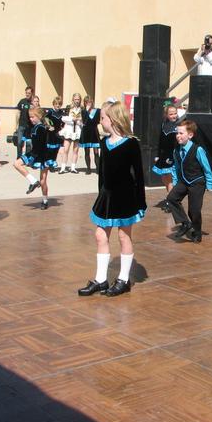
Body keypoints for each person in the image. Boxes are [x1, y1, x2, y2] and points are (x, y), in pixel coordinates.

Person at [78, 101, 146, 298]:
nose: (100, 122)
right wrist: (100, 193)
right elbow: (102, 174)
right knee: (100, 236)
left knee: (124, 237)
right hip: (106, 198)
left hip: (125, 198)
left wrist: (140, 203)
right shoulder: (104, 143)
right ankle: (101, 279)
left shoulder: (131, 144)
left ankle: (123, 279)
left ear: (113, 119)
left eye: (103, 118)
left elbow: (139, 176)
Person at [166, 120, 212, 243]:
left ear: (190, 135)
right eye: (177, 133)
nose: (178, 136)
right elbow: (176, 167)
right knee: (171, 198)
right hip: (183, 181)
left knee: (194, 210)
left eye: (181, 133)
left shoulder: (197, 150)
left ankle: (197, 232)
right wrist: (176, 181)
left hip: (197, 182)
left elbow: (206, 167)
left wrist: (210, 183)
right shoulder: (176, 150)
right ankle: (185, 223)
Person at [13, 97, 55, 210]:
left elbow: (42, 145)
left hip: (41, 155)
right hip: (35, 153)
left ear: (39, 117)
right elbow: (26, 117)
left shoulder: (41, 128)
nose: (31, 119)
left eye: (33, 117)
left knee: (43, 180)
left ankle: (45, 200)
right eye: (30, 117)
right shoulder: (34, 127)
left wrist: (33, 157)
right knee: (17, 164)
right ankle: (32, 181)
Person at [152, 98, 180, 212]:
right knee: (165, 179)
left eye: (175, 113)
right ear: (166, 115)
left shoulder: (178, 127)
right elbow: (160, 141)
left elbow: (178, 144)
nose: (173, 115)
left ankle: (171, 202)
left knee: (170, 180)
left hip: (172, 157)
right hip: (163, 156)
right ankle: (170, 199)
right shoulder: (164, 125)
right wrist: (158, 155)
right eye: (171, 114)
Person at [59, 93, 83, 174]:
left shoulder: (82, 108)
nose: (77, 101)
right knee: (65, 150)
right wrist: (72, 119)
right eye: (75, 99)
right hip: (69, 130)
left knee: (75, 150)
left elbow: (84, 120)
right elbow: (63, 118)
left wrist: (79, 121)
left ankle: (73, 167)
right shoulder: (68, 107)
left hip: (77, 130)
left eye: (78, 99)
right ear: (73, 99)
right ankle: (63, 168)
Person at [79, 95, 100, 175]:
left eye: (90, 102)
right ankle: (88, 168)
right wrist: (87, 111)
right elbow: (84, 121)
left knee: (96, 152)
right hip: (86, 132)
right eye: (86, 102)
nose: (88, 104)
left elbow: (97, 121)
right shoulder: (83, 111)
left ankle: (98, 168)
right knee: (87, 152)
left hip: (94, 132)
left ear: (92, 102)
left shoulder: (97, 111)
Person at [46, 96, 65, 173]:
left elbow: (64, 122)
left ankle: (53, 162)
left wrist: (63, 128)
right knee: (50, 150)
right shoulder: (50, 112)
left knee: (56, 150)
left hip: (58, 133)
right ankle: (50, 165)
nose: (57, 105)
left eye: (59, 104)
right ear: (53, 104)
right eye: (56, 104)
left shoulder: (62, 112)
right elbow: (45, 119)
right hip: (51, 133)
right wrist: (49, 126)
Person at [15, 86, 34, 158]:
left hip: (30, 126)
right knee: (19, 142)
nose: (27, 94)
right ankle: (19, 157)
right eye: (26, 93)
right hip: (21, 125)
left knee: (29, 143)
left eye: (29, 93)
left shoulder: (33, 103)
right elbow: (18, 113)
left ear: (32, 93)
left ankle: (26, 158)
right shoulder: (22, 101)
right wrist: (16, 125)